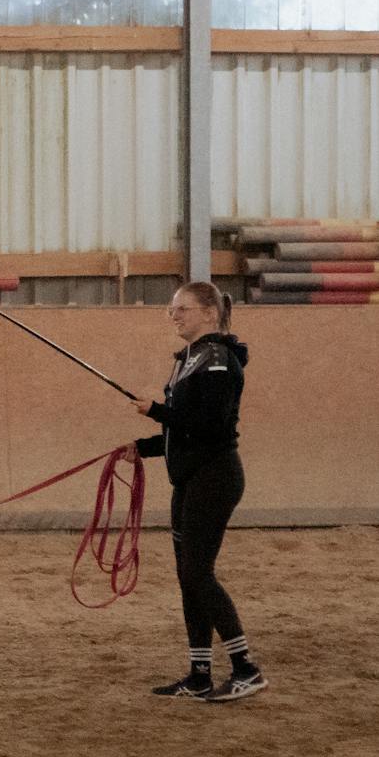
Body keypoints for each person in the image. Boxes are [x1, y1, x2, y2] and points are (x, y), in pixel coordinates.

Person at [132, 281, 266, 702]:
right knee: (188, 577)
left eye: (182, 309)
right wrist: (142, 448)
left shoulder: (218, 362)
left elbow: (210, 427)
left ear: (209, 313)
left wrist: (156, 411)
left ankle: (245, 668)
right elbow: (182, 431)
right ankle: (200, 673)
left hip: (215, 477)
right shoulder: (188, 360)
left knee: (197, 573)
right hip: (189, 478)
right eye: (172, 310)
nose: (174, 316)